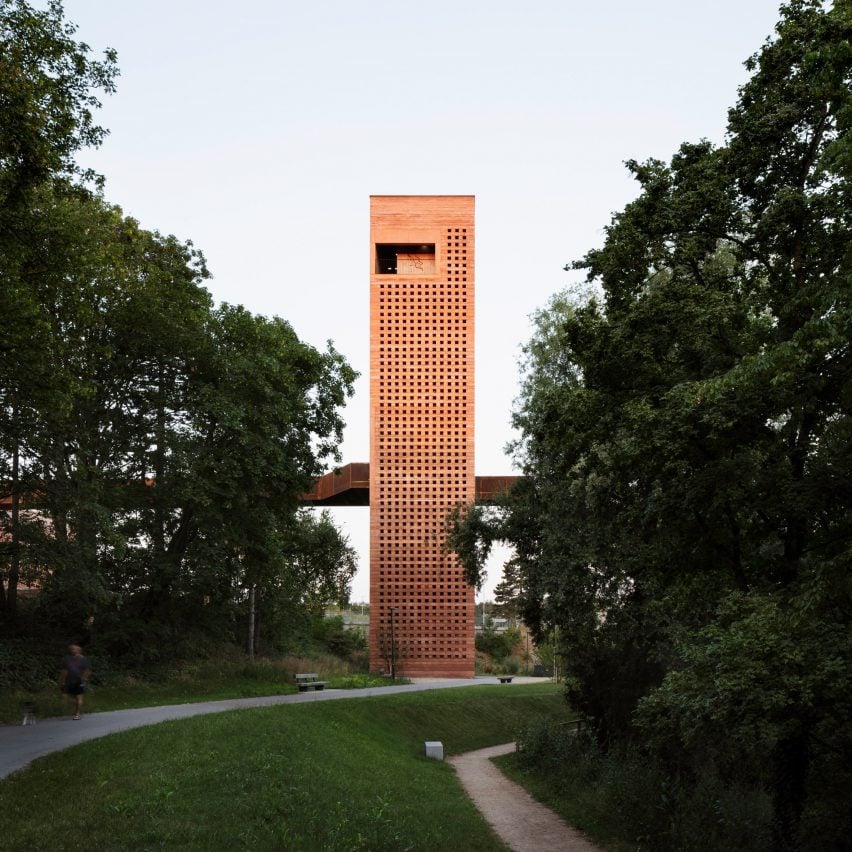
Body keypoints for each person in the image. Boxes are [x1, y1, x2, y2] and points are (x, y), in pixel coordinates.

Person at [60, 644, 92, 720]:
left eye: (74, 649)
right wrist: (62, 680)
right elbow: (64, 670)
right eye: (71, 649)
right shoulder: (67, 658)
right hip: (69, 680)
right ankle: (72, 707)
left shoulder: (83, 659)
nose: (72, 650)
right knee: (64, 697)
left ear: (79, 650)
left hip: (79, 681)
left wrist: (84, 678)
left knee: (78, 697)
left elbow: (88, 670)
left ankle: (77, 714)